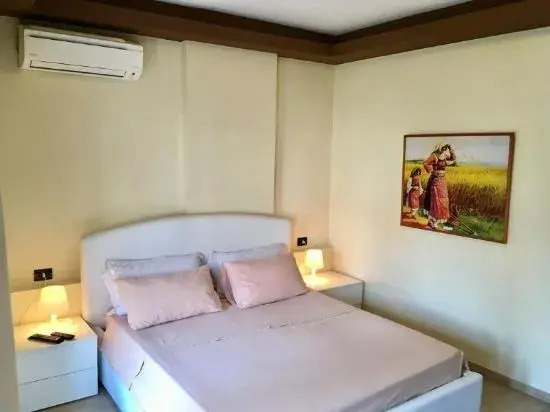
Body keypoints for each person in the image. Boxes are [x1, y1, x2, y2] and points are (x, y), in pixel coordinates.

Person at [423, 144, 456, 229]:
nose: (447, 151)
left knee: (442, 201)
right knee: (435, 201)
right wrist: (432, 171)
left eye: (447, 150)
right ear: (442, 149)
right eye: (446, 149)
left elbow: (453, 159)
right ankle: (431, 222)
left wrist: (451, 149)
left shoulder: (444, 158)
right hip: (435, 181)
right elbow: (425, 163)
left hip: (442, 182)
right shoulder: (434, 156)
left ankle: (435, 222)